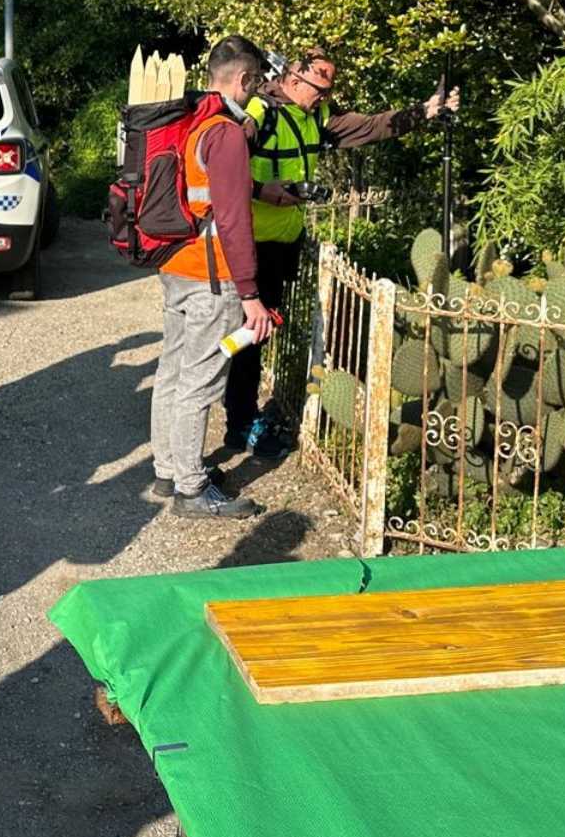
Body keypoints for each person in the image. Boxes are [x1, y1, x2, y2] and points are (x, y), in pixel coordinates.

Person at [223, 49, 460, 458]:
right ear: (294, 80)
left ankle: (239, 416)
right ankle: (238, 423)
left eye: (329, 91)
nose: (325, 98)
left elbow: (371, 127)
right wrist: (269, 194)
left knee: (256, 336)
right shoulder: (259, 113)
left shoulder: (317, 115)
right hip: (248, 245)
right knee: (242, 338)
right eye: (320, 90)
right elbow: (223, 172)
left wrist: (428, 109)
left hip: (284, 241)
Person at [147, 35, 277, 518]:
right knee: (199, 384)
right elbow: (234, 218)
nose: (257, 91)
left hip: (175, 263)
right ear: (243, 79)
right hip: (212, 276)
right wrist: (251, 294)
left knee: (172, 371)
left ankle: (167, 468)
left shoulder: (187, 123)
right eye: (257, 82)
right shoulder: (224, 133)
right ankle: (191, 487)